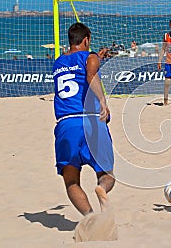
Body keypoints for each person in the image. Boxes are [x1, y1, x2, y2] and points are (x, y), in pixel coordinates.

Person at [52, 22, 115, 216]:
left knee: (71, 181)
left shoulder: (58, 62)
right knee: (106, 175)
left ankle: (90, 217)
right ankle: (101, 189)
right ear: (86, 40)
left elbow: (79, 68)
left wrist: (96, 57)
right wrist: (103, 100)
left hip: (66, 124)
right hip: (91, 121)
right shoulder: (90, 57)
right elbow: (90, 75)